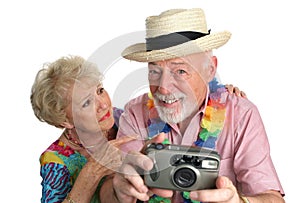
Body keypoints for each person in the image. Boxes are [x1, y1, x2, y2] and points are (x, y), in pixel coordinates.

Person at [104, 8, 285, 203]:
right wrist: (118, 192)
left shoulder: (241, 115)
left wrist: (240, 202)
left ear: (210, 69)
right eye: (154, 72)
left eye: (180, 71)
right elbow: (108, 190)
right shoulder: (134, 113)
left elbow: (272, 198)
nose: (163, 89)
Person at [30, 55, 134, 203]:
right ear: (65, 121)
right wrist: (93, 170)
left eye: (100, 91)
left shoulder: (121, 117)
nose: (104, 105)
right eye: (86, 103)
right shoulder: (56, 162)